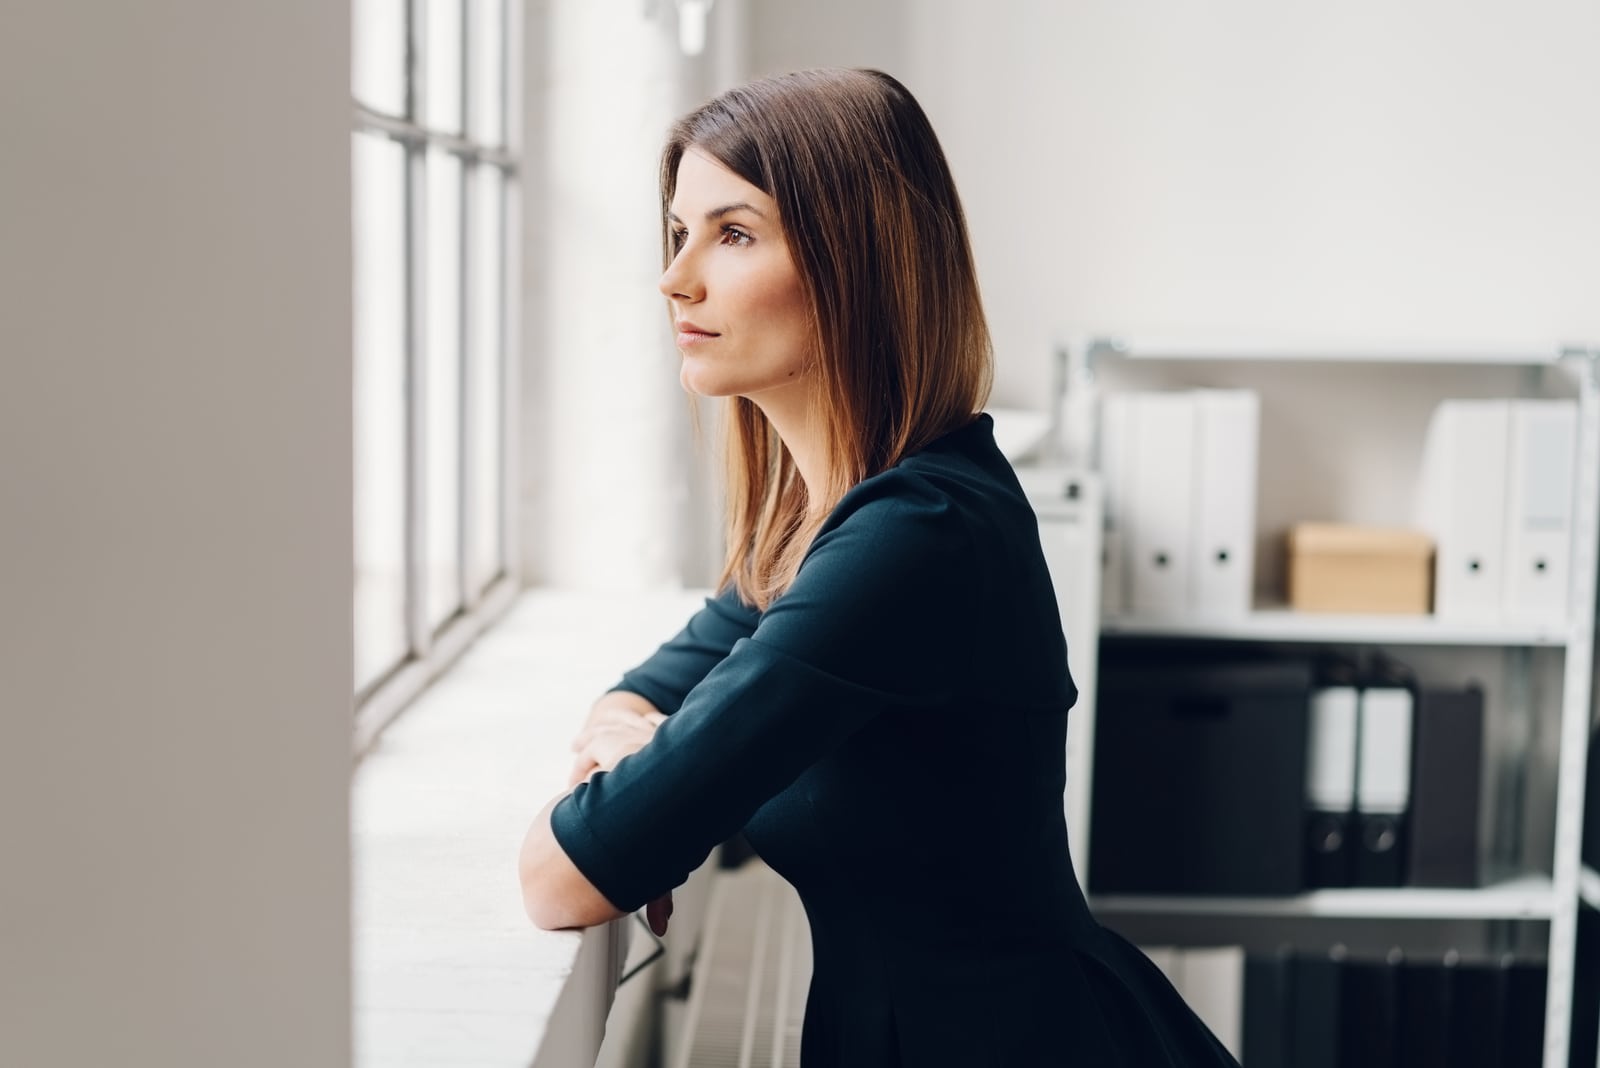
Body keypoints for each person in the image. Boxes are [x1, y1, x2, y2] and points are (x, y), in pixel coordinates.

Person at [519, 67, 1239, 1067]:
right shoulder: (819, 522)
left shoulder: (914, 538)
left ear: (855, 261)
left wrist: (638, 778)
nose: (675, 277)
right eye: (679, 232)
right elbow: (647, 688)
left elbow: (560, 877)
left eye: (732, 234)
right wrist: (637, 742)